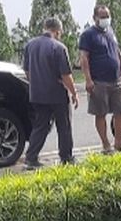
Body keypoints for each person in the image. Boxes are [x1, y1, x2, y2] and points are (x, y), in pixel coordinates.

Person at [21, 17, 80, 169]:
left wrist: (36, 81)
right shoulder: (59, 48)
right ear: (57, 31)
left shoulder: (30, 45)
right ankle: (66, 157)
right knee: (64, 126)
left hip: (37, 93)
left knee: (40, 126)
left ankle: (31, 158)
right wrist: (74, 93)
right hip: (57, 94)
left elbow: (27, 70)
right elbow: (66, 75)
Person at [79, 4, 121, 154]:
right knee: (100, 113)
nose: (106, 19)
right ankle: (106, 145)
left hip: (116, 80)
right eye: (102, 17)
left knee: (120, 111)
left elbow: (117, 52)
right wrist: (88, 79)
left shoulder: (111, 32)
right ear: (95, 18)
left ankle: (118, 143)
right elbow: (84, 58)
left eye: (107, 16)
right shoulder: (88, 35)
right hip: (99, 81)